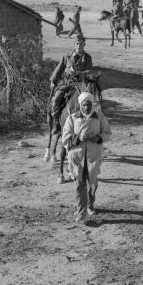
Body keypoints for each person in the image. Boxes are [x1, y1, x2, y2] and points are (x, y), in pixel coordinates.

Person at [62, 91, 111, 223]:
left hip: (93, 156)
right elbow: (65, 138)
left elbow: (107, 132)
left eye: (89, 104)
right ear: (80, 105)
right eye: (84, 105)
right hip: (77, 156)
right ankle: (80, 212)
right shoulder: (72, 118)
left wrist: (98, 138)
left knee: (93, 182)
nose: (87, 107)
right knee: (79, 183)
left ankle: (90, 204)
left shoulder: (99, 117)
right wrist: (77, 138)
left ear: (92, 104)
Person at [49, 34, 93, 134]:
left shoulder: (87, 58)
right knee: (56, 99)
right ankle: (56, 123)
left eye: (81, 44)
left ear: (84, 45)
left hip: (81, 84)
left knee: (90, 101)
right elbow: (59, 69)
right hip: (67, 83)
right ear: (74, 44)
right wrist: (53, 81)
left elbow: (89, 72)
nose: (79, 46)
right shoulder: (67, 56)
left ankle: (90, 122)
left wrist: (79, 73)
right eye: (77, 43)